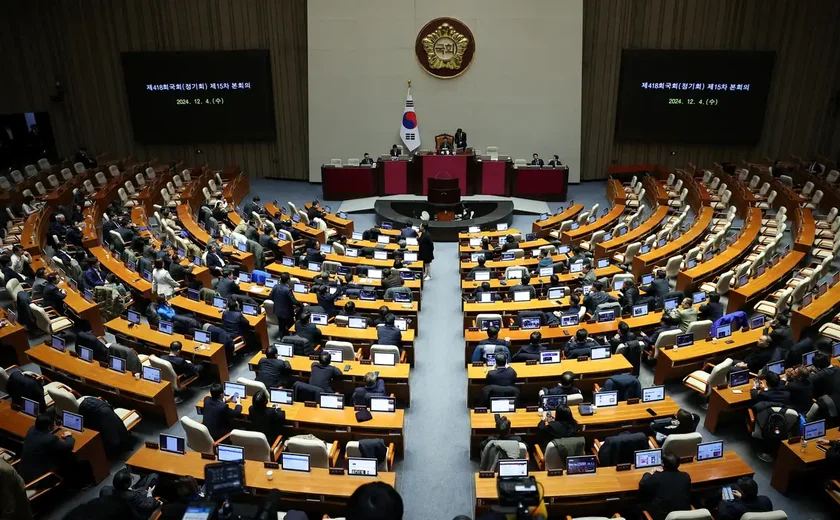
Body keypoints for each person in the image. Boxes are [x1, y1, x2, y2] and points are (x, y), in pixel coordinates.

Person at [18, 414, 75, 482]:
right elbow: (68, 446)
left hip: (23, 472)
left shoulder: (31, 429)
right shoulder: (50, 439)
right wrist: (68, 436)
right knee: (67, 459)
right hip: (37, 479)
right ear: (49, 427)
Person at [637, 453, 692, 520]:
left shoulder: (657, 477)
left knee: (638, 505)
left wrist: (650, 472)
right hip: (684, 515)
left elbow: (643, 484)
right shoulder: (685, 476)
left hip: (662, 516)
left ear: (663, 465)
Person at [269, 272, 301, 337]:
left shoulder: (275, 286)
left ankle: (282, 337)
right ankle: (290, 338)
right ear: (288, 280)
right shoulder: (288, 289)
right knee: (291, 326)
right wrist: (300, 304)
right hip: (287, 313)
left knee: (281, 326)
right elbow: (294, 301)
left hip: (277, 311)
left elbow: (270, 297)